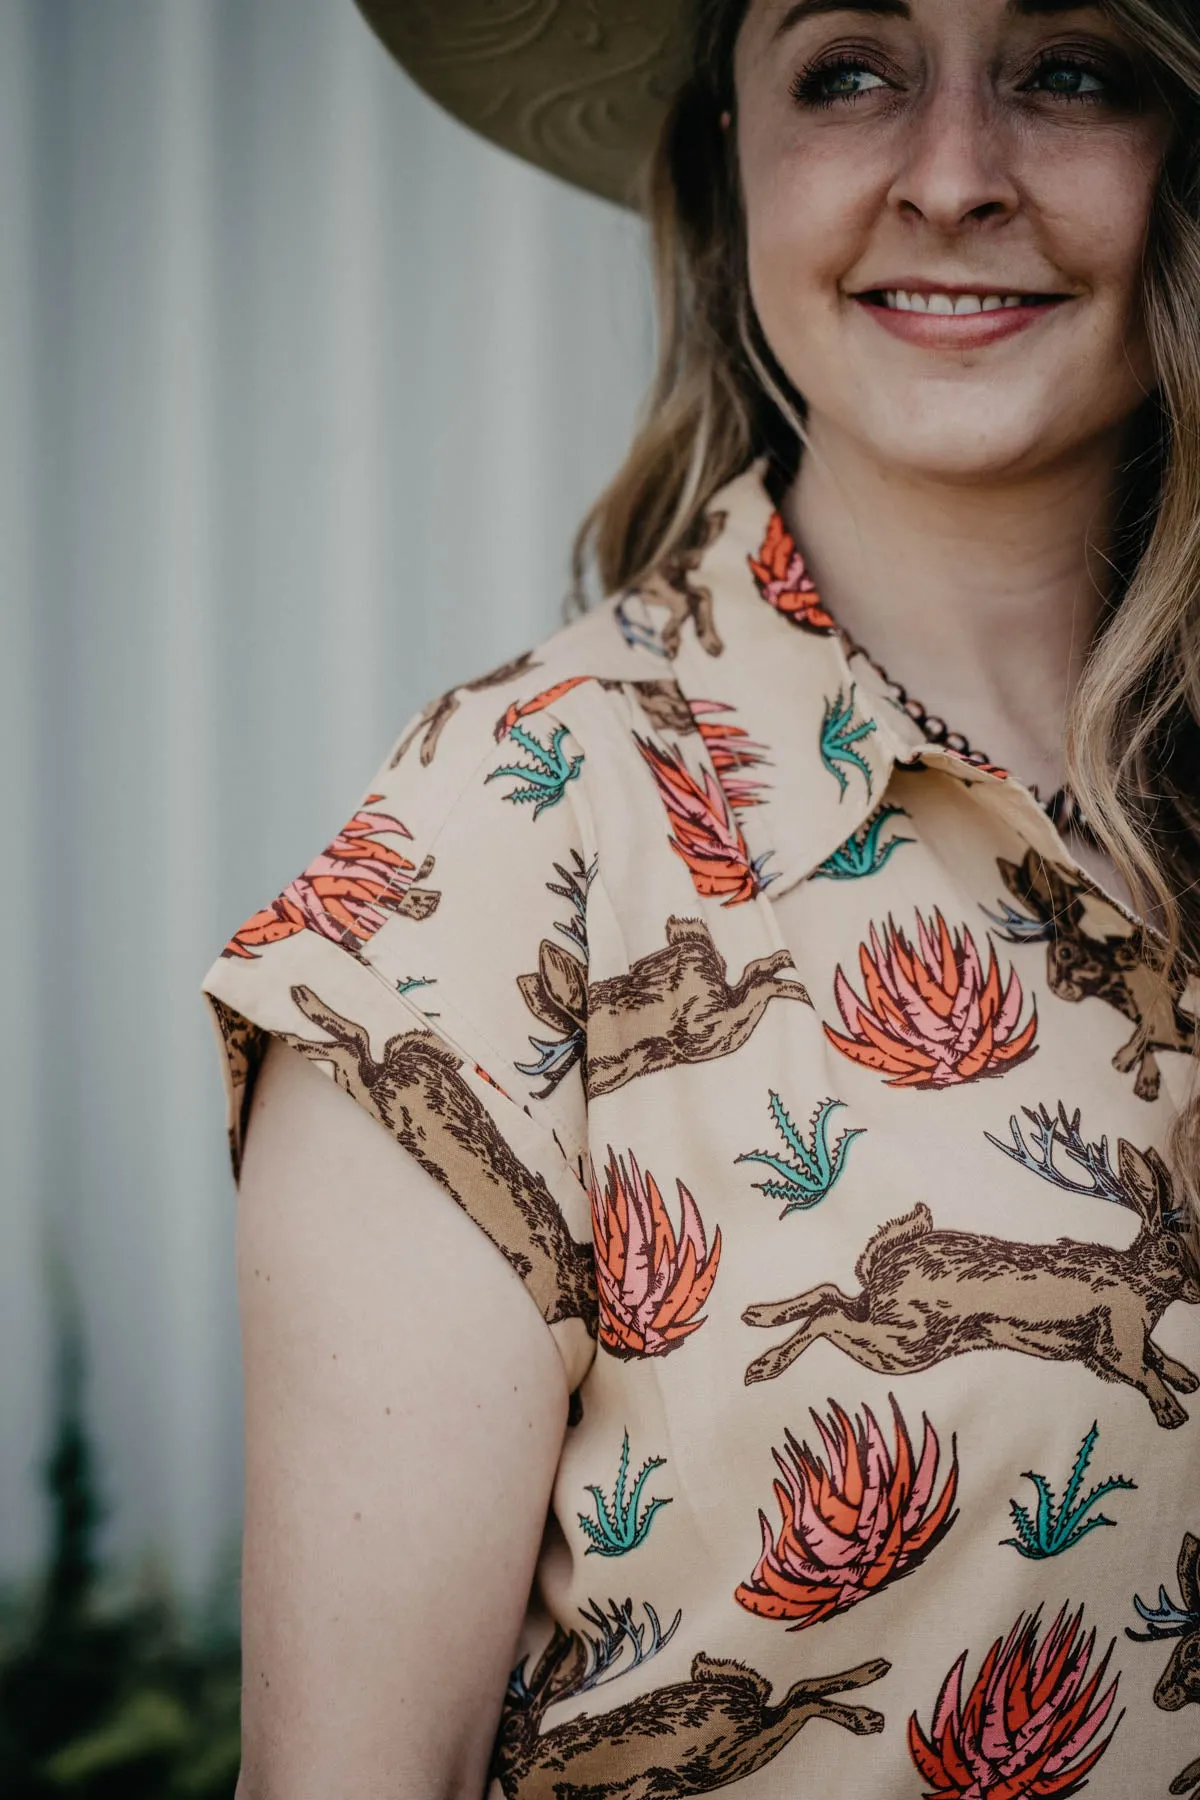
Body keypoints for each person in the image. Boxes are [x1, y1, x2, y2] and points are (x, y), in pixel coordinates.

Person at [200, 2, 1200, 1795]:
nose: (957, 176)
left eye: (1070, 65)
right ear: (724, 165)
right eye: (850, 68)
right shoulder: (498, 863)